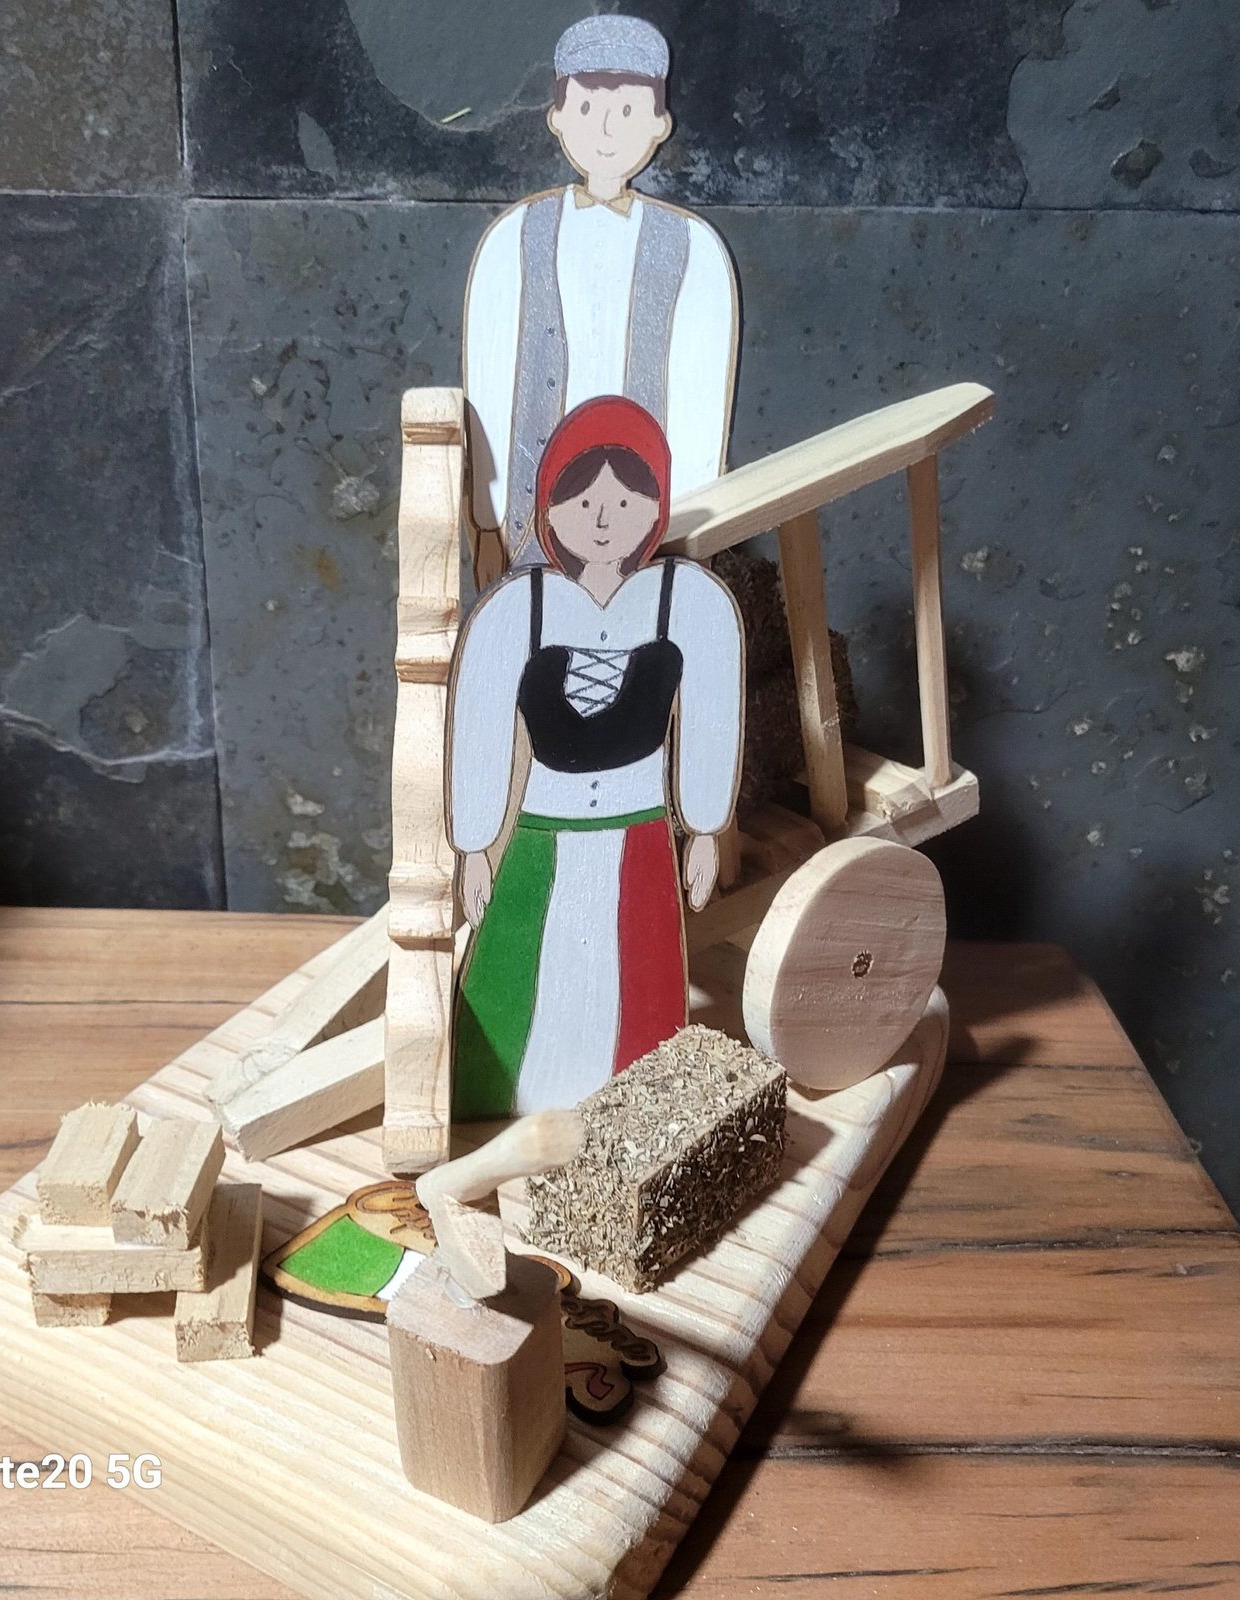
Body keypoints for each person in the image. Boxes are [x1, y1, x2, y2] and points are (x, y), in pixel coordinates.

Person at [446, 395, 743, 1118]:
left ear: (655, 508)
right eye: (584, 501)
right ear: (551, 508)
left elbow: (714, 708)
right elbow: (480, 720)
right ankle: (491, 1102)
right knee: (519, 972)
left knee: (635, 975)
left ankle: (637, 1115)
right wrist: (475, 846)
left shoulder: (686, 600)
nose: (604, 519)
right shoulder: (520, 609)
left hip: (640, 831)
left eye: (626, 500)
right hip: (539, 834)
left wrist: (705, 829)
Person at [463, 14, 739, 576]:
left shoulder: (696, 250)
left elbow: (701, 401)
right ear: (558, 117)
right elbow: (487, 386)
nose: (608, 130)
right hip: (529, 527)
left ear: (660, 123)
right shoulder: (512, 238)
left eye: (629, 111)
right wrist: (486, 520)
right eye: (588, 108)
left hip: (651, 535)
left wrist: (690, 529)